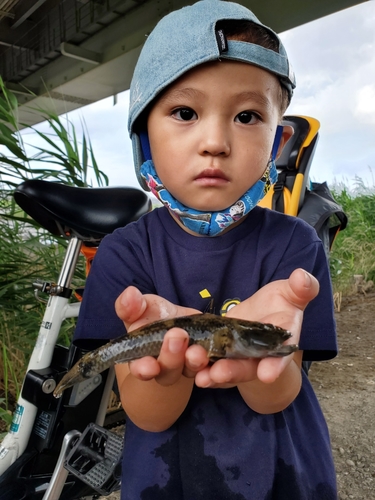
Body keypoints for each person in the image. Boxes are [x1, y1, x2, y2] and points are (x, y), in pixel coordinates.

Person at [74, 1, 338, 498]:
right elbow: (147, 412)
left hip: (282, 474)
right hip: (168, 478)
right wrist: (161, 363)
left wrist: (264, 365)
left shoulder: (295, 244)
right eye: (184, 112)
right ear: (143, 135)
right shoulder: (123, 255)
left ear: (278, 140)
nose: (215, 141)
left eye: (246, 115)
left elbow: (278, 394)